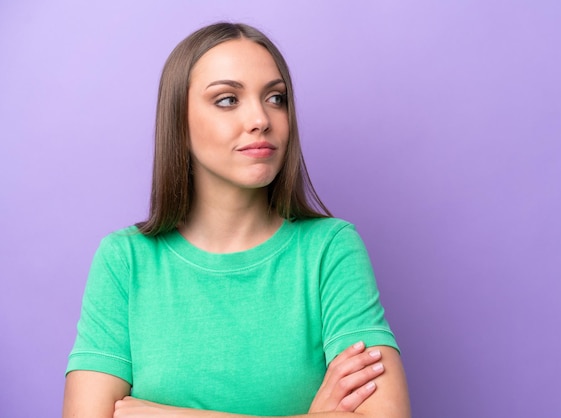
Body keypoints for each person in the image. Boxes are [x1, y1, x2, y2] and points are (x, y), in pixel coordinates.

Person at [62, 22, 411, 418]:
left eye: (275, 98)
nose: (261, 118)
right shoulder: (125, 260)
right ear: (179, 120)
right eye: (228, 100)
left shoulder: (330, 249)